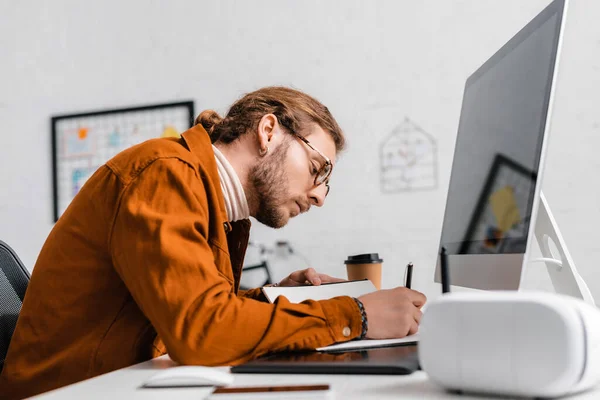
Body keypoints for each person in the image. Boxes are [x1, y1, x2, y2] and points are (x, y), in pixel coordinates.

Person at [0, 87, 426, 399]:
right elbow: (203, 335)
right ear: (269, 131)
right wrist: (356, 315)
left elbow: (192, 308)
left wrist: (275, 298)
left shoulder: (218, 208)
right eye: (318, 169)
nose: (318, 195)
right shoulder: (163, 173)